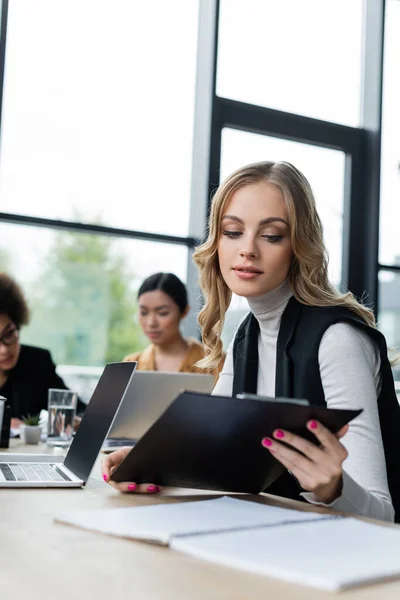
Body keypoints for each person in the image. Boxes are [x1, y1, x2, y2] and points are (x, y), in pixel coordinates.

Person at [103, 162, 400, 524]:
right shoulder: (246, 335)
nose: (248, 250)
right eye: (232, 231)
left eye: (272, 236)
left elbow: (384, 514)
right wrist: (148, 462)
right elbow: (205, 452)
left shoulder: (338, 340)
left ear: (298, 246)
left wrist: (334, 490)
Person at [0, 273, 84, 429]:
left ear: (18, 325)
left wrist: (78, 421)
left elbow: (78, 408)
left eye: (9, 334)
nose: (4, 349)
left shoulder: (37, 362)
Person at [124, 272, 223, 376]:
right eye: (144, 313)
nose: (151, 323)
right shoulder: (130, 365)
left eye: (163, 313)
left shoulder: (214, 363)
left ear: (184, 312)